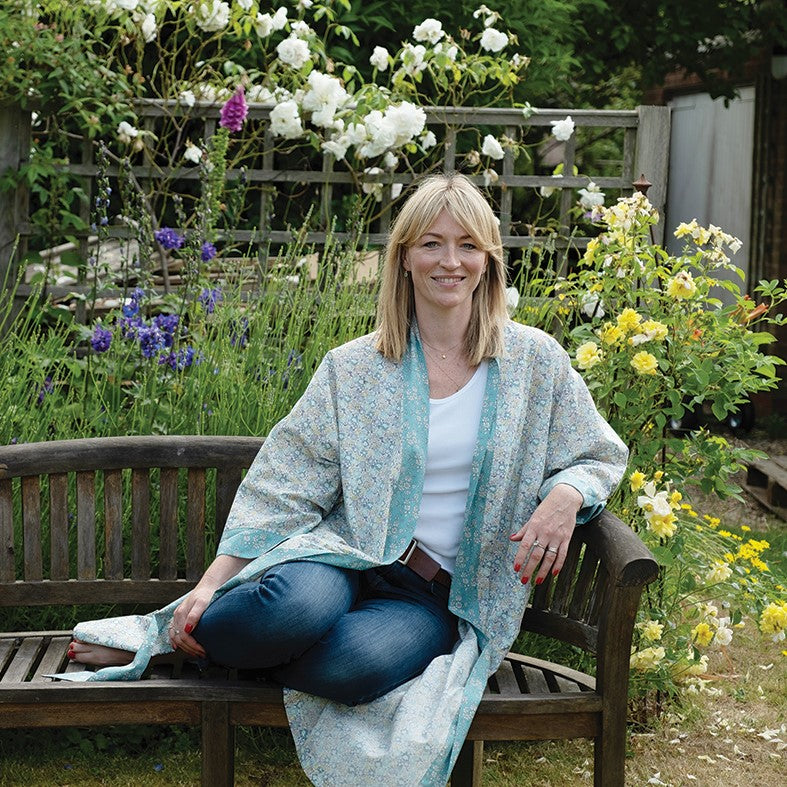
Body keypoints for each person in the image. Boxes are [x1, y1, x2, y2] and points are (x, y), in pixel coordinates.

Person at [65, 173, 628, 784]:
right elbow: (284, 483)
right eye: (432, 244)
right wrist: (209, 584)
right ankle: (167, 637)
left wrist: (567, 495)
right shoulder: (355, 367)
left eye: (468, 245)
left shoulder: (535, 362)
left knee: (351, 666)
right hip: (344, 557)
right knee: (286, 611)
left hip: (434, 596)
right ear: (405, 258)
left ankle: (204, 651)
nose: (450, 261)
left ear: (488, 260)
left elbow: (597, 453)